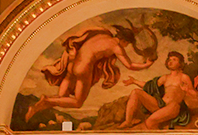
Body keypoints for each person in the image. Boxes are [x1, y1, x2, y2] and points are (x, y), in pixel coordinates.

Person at [26, 20, 155, 122]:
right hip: (83, 69)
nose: (126, 46)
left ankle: (37, 107)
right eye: (127, 44)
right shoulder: (116, 46)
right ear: (124, 40)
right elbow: (130, 65)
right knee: (77, 103)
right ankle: (46, 100)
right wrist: (147, 64)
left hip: (72, 65)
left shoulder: (102, 35)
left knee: (62, 98)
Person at [118, 51, 198, 130]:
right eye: (169, 60)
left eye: (174, 60)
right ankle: (128, 121)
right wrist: (134, 81)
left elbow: (195, 95)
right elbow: (149, 86)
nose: (170, 61)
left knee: (150, 121)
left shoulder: (184, 77)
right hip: (160, 104)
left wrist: (187, 90)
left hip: (173, 107)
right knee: (136, 92)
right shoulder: (165, 78)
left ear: (180, 63)